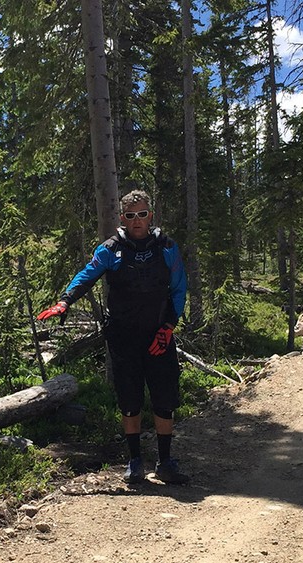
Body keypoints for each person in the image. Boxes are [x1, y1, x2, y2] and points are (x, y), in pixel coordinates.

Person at [37, 190, 189, 485]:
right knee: (129, 399)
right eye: (131, 215)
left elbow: (179, 288)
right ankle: (134, 462)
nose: (137, 221)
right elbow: (87, 274)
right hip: (123, 337)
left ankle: (166, 461)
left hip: (159, 335)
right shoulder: (111, 248)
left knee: (164, 399)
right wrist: (65, 301)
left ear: (151, 216)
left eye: (142, 214)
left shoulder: (167, 247)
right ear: (122, 218)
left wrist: (168, 327)